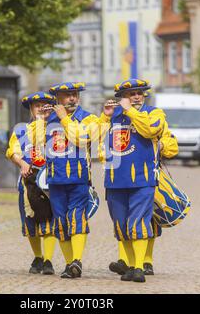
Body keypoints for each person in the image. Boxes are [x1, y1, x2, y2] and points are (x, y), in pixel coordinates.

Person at [100, 78, 170, 283]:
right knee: (121, 226)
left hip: (142, 180)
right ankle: (130, 265)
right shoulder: (113, 116)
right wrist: (105, 117)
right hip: (114, 180)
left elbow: (149, 130)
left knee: (137, 222)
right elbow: (92, 138)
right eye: (131, 94)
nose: (137, 96)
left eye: (140, 92)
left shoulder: (154, 113)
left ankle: (140, 266)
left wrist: (130, 111)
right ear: (122, 97)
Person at [44, 82, 111, 279]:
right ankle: (68, 264)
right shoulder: (49, 120)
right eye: (67, 95)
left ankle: (77, 260)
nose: (72, 98)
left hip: (78, 178)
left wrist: (65, 119)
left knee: (77, 218)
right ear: (58, 99)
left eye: (74, 95)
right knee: (61, 222)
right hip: (55, 180)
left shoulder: (88, 118)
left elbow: (81, 139)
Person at [6, 92, 57, 275]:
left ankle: (49, 259)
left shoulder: (55, 129)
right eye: (37, 106)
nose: (41, 109)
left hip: (49, 181)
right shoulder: (20, 130)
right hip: (28, 180)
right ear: (31, 109)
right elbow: (12, 151)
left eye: (44, 106)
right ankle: (38, 257)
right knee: (30, 221)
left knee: (50, 220)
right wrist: (21, 162)